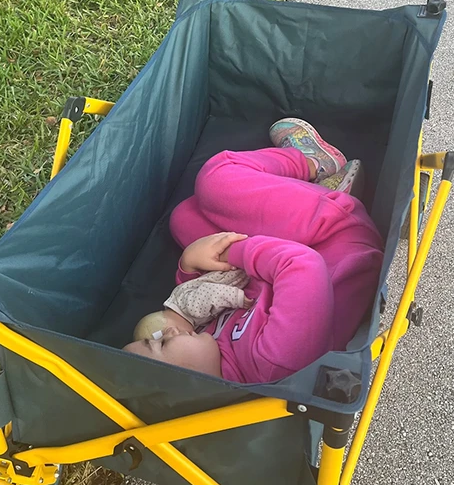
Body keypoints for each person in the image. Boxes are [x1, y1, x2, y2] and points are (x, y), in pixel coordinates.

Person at [122, 118, 384, 383]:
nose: (166, 332)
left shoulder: (216, 357)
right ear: (189, 383)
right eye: (160, 345)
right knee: (216, 179)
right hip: (334, 237)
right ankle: (314, 164)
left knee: (183, 219)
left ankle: (312, 194)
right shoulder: (274, 361)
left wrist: (189, 268)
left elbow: (209, 297)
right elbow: (303, 266)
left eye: (155, 338)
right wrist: (231, 252)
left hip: (284, 254)